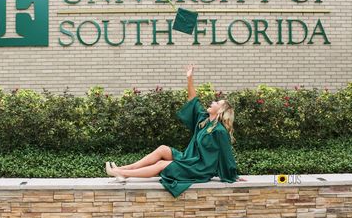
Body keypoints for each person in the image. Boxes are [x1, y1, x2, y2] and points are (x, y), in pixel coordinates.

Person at [105, 64, 246, 198]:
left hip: (199, 168)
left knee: (161, 164)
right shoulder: (203, 121)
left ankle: (121, 173)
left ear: (221, 111)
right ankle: (124, 169)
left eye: (217, 103)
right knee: (162, 149)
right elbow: (193, 100)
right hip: (190, 159)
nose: (213, 102)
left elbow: (226, 154)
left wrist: (233, 175)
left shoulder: (219, 131)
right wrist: (189, 78)